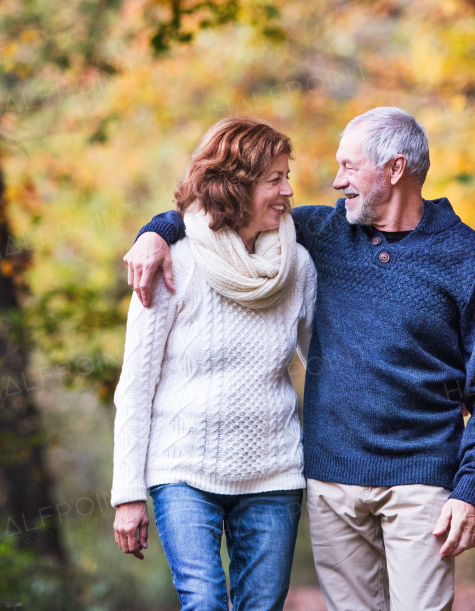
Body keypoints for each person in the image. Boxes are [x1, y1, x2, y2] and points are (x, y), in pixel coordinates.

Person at [125, 107, 475, 611]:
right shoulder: (319, 234)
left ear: (395, 170)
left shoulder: (472, 259)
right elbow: (223, 211)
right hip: (332, 481)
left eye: (350, 168)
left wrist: (472, 489)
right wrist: (156, 231)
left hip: (423, 481)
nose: (336, 182)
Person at [111, 116, 317, 611]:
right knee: (202, 601)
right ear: (236, 184)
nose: (289, 190)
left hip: (275, 472)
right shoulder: (170, 263)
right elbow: (136, 385)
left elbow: (325, 368)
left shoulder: (298, 267)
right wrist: (128, 494)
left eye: (287, 176)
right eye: (275, 179)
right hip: (182, 468)